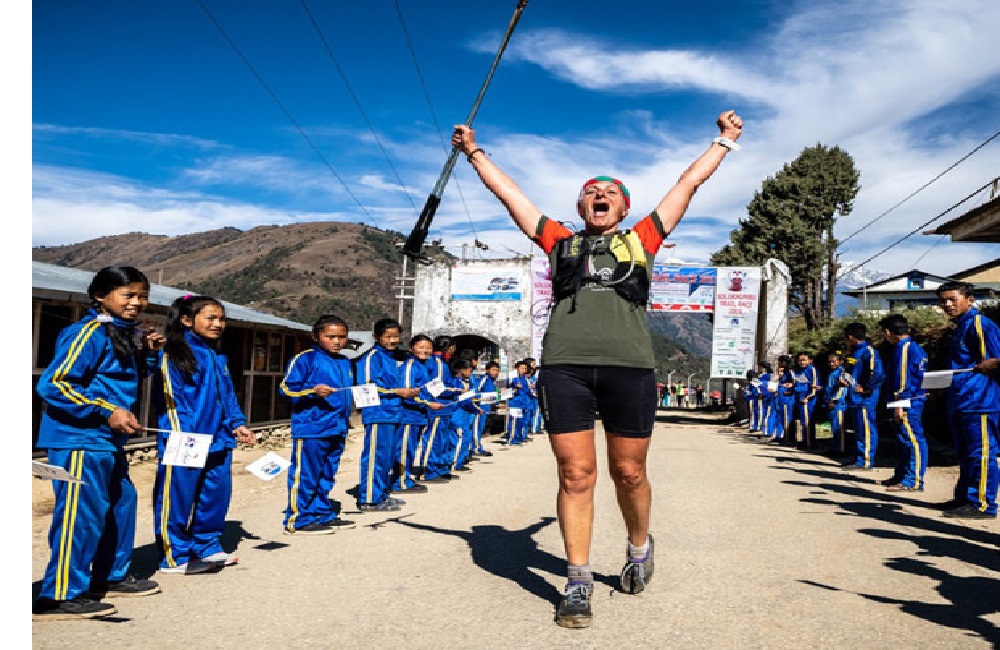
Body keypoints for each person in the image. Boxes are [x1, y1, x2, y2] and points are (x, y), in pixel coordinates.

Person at [453, 109, 743, 628]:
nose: (599, 196)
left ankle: (637, 546)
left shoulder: (644, 239)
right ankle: (578, 580)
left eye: (609, 192)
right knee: (576, 474)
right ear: (581, 205)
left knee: (629, 473)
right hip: (564, 368)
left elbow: (687, 183)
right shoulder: (558, 240)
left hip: (629, 369)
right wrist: (474, 152)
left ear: (623, 207)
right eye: (591, 191)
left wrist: (723, 141)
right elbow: (511, 195)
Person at [33, 266, 165, 620]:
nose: (137, 303)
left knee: (122, 504)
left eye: (142, 296)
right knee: (81, 515)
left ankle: (109, 575)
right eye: (128, 295)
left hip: (106, 441)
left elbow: (124, 378)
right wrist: (106, 410)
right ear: (100, 296)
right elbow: (54, 384)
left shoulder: (121, 333)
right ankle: (59, 594)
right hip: (78, 440)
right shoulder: (87, 332)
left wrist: (149, 352)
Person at [153, 295, 255, 574]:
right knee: (178, 498)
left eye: (221, 319)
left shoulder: (216, 354)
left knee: (215, 494)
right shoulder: (172, 352)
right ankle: (175, 556)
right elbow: (172, 398)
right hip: (186, 439)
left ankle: (207, 546)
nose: (218, 324)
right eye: (210, 318)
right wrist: (184, 436)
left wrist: (237, 422)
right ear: (186, 320)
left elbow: (227, 394)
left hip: (219, 438)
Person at [279, 314, 358, 534]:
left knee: (327, 473)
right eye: (330, 336)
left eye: (342, 337)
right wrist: (312, 392)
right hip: (312, 427)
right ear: (316, 336)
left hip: (337, 427)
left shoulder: (344, 362)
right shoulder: (305, 359)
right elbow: (286, 389)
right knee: (306, 474)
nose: (336, 341)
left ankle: (322, 513)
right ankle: (298, 519)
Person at [935, 282, 1000, 518]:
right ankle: (964, 498)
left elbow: (995, 359)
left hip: (980, 400)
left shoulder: (979, 324)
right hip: (961, 400)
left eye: (953, 299)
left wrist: (993, 363)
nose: (947, 304)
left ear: (969, 300)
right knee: (964, 454)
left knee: (982, 453)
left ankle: (983, 504)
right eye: (943, 301)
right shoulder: (959, 327)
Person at [354, 318, 419, 512]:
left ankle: (381, 493)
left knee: (387, 457)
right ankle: (369, 499)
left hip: (393, 413)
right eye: (388, 336)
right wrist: (397, 392)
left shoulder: (391, 358)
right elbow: (364, 387)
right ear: (376, 337)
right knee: (375, 456)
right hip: (377, 414)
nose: (393, 340)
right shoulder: (370, 357)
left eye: (396, 336)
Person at [876, 314, 928, 492]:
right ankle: (902, 474)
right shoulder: (910, 348)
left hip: (907, 402)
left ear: (888, 332)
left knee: (912, 440)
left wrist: (900, 403)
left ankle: (914, 479)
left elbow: (903, 379)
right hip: (905, 400)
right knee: (902, 440)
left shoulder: (905, 348)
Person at [396, 334, 438, 493]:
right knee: (404, 448)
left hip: (419, 415)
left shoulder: (423, 366)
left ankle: (406, 478)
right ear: (411, 348)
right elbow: (408, 393)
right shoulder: (410, 366)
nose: (425, 351)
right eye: (421, 347)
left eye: (428, 348)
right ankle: (400, 481)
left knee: (411, 448)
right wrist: (428, 403)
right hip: (408, 415)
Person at [839, 322, 884, 471]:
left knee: (867, 429)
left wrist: (866, 388)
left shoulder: (868, 351)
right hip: (854, 398)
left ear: (851, 336)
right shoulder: (854, 352)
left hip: (865, 399)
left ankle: (866, 460)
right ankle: (859, 458)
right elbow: (853, 372)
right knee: (859, 429)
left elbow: (877, 373)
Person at [470, 362, 500, 458]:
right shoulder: (484, 379)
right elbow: (475, 392)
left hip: (486, 409)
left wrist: (496, 401)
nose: (496, 372)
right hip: (480, 409)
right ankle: (475, 448)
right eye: (493, 370)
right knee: (476, 428)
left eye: (497, 370)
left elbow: (493, 394)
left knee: (480, 428)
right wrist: (478, 404)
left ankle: (477, 446)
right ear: (487, 370)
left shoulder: (492, 381)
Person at [791, 352, 821, 449]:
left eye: (804, 360)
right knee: (803, 421)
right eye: (800, 360)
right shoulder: (798, 371)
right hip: (799, 398)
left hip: (808, 399)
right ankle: (805, 440)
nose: (802, 362)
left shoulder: (811, 370)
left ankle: (809, 443)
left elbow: (814, 385)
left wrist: (808, 397)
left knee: (808, 421)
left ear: (810, 360)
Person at [823, 352, 849, 458]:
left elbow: (842, 388)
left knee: (839, 428)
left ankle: (841, 450)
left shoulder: (842, 372)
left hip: (838, 404)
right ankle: (835, 448)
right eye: (829, 362)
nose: (831, 363)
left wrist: (834, 400)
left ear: (840, 361)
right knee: (834, 427)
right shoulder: (832, 373)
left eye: (833, 361)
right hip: (830, 402)